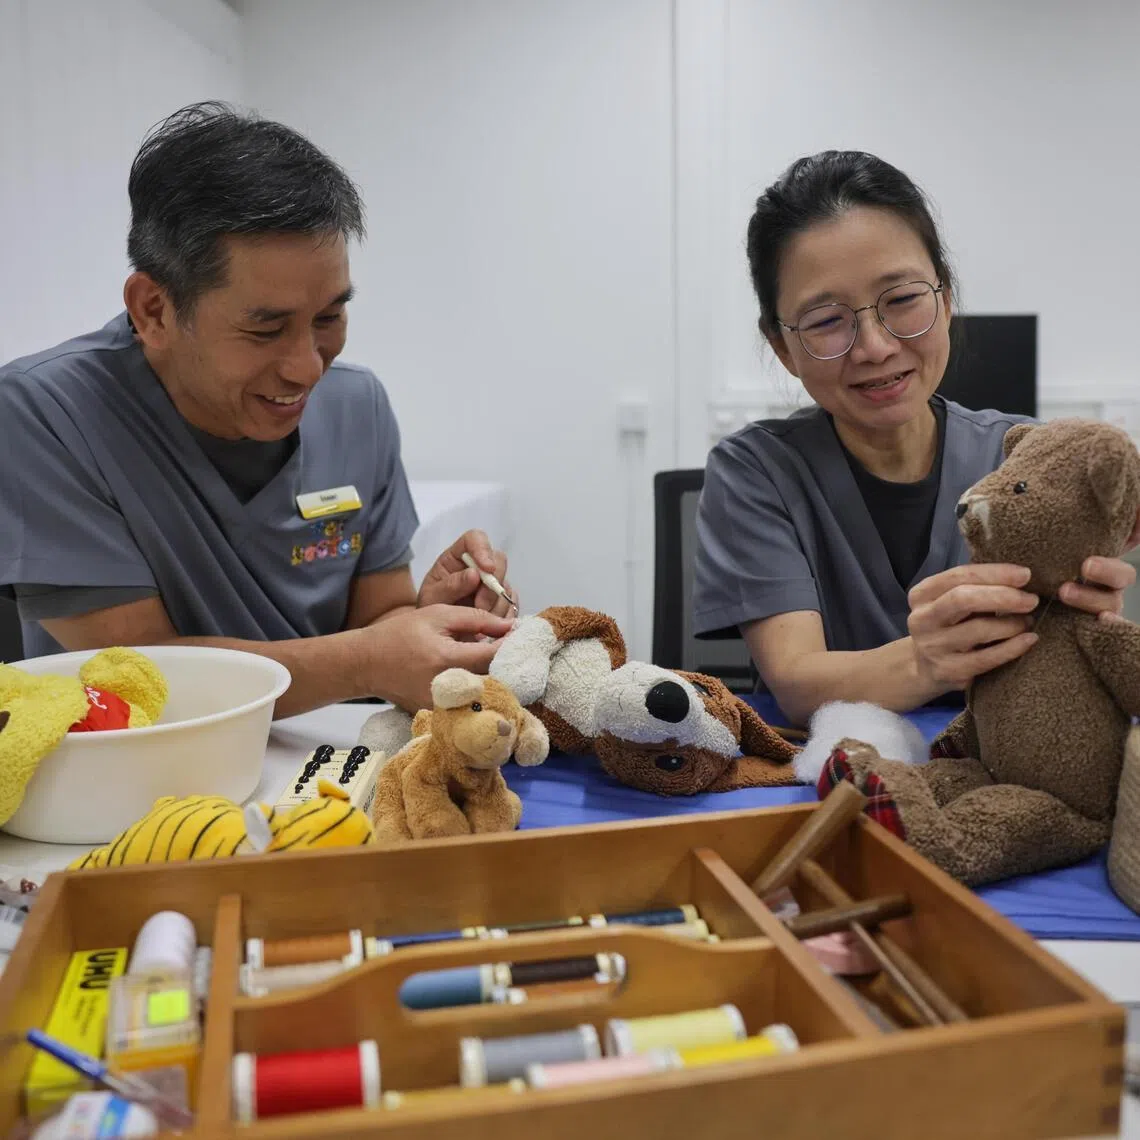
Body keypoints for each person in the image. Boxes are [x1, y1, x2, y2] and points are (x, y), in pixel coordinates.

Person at [0, 102, 516, 718]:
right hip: (139, 793)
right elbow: (137, 673)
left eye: (329, 316)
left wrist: (428, 621)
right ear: (154, 311)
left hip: (323, 778)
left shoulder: (358, 405)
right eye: (265, 329)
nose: (307, 368)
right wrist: (368, 658)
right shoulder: (46, 413)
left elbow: (377, 618)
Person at [693, 150, 1138, 726]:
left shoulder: (1027, 458)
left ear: (945, 299)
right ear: (783, 348)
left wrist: (1089, 613)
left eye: (901, 300)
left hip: (1015, 770)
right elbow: (798, 683)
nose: (875, 346)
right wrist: (927, 662)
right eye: (828, 321)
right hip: (835, 781)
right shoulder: (756, 471)